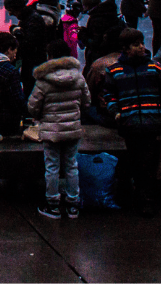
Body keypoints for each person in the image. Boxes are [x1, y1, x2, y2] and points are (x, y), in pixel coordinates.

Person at [102, 29, 161, 217]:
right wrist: (116, 113)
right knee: (137, 161)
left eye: (142, 43)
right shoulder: (115, 71)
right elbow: (109, 96)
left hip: (148, 123)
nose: (142, 47)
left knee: (146, 162)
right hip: (131, 123)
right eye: (136, 44)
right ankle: (140, 198)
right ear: (126, 49)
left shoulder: (155, 68)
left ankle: (144, 199)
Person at [27, 40, 91, 219]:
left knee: (52, 166)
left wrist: (40, 116)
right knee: (71, 165)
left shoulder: (43, 80)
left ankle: (53, 205)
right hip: (72, 129)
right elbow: (87, 102)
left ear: (50, 56)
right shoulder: (78, 77)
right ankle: (73, 205)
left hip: (50, 130)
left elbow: (32, 106)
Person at [3, 0, 50, 97]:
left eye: (11, 11)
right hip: (30, 64)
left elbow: (29, 45)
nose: (10, 14)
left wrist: (18, 35)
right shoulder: (28, 19)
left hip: (34, 65)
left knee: (32, 93)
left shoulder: (33, 20)